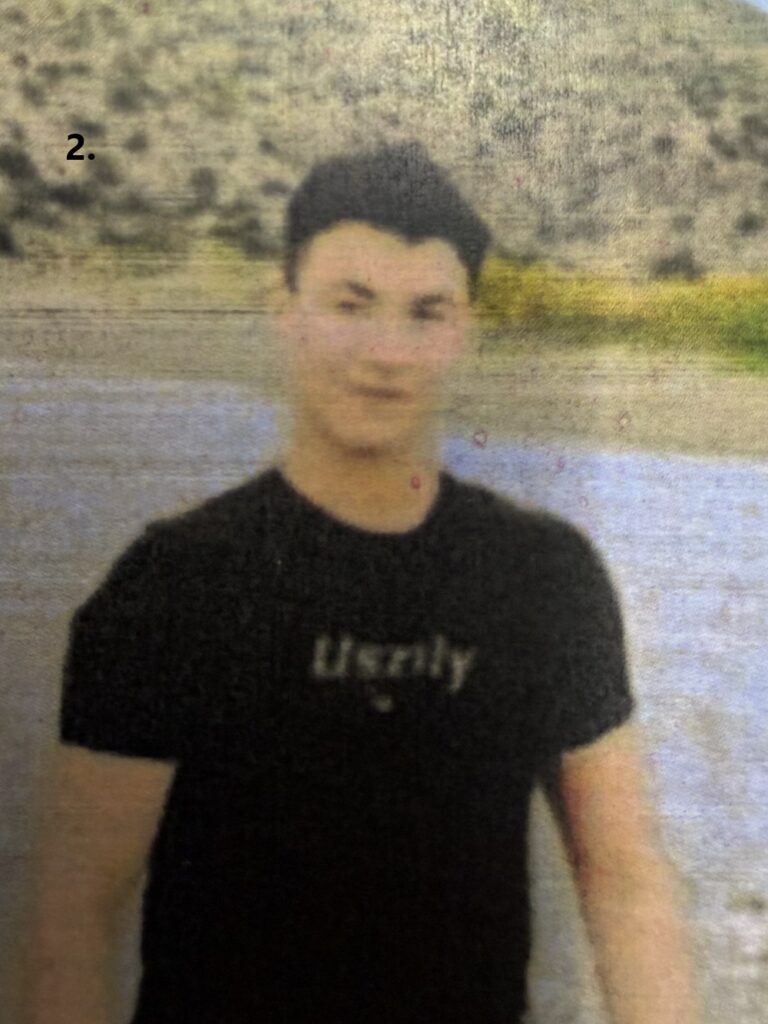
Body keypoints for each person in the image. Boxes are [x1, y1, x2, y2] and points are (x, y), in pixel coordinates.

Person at [9, 141, 700, 1024]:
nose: (386, 350)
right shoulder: (175, 580)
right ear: (285, 306)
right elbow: (74, 913)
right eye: (351, 303)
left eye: (426, 312)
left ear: (466, 328)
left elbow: (624, 878)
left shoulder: (547, 576)